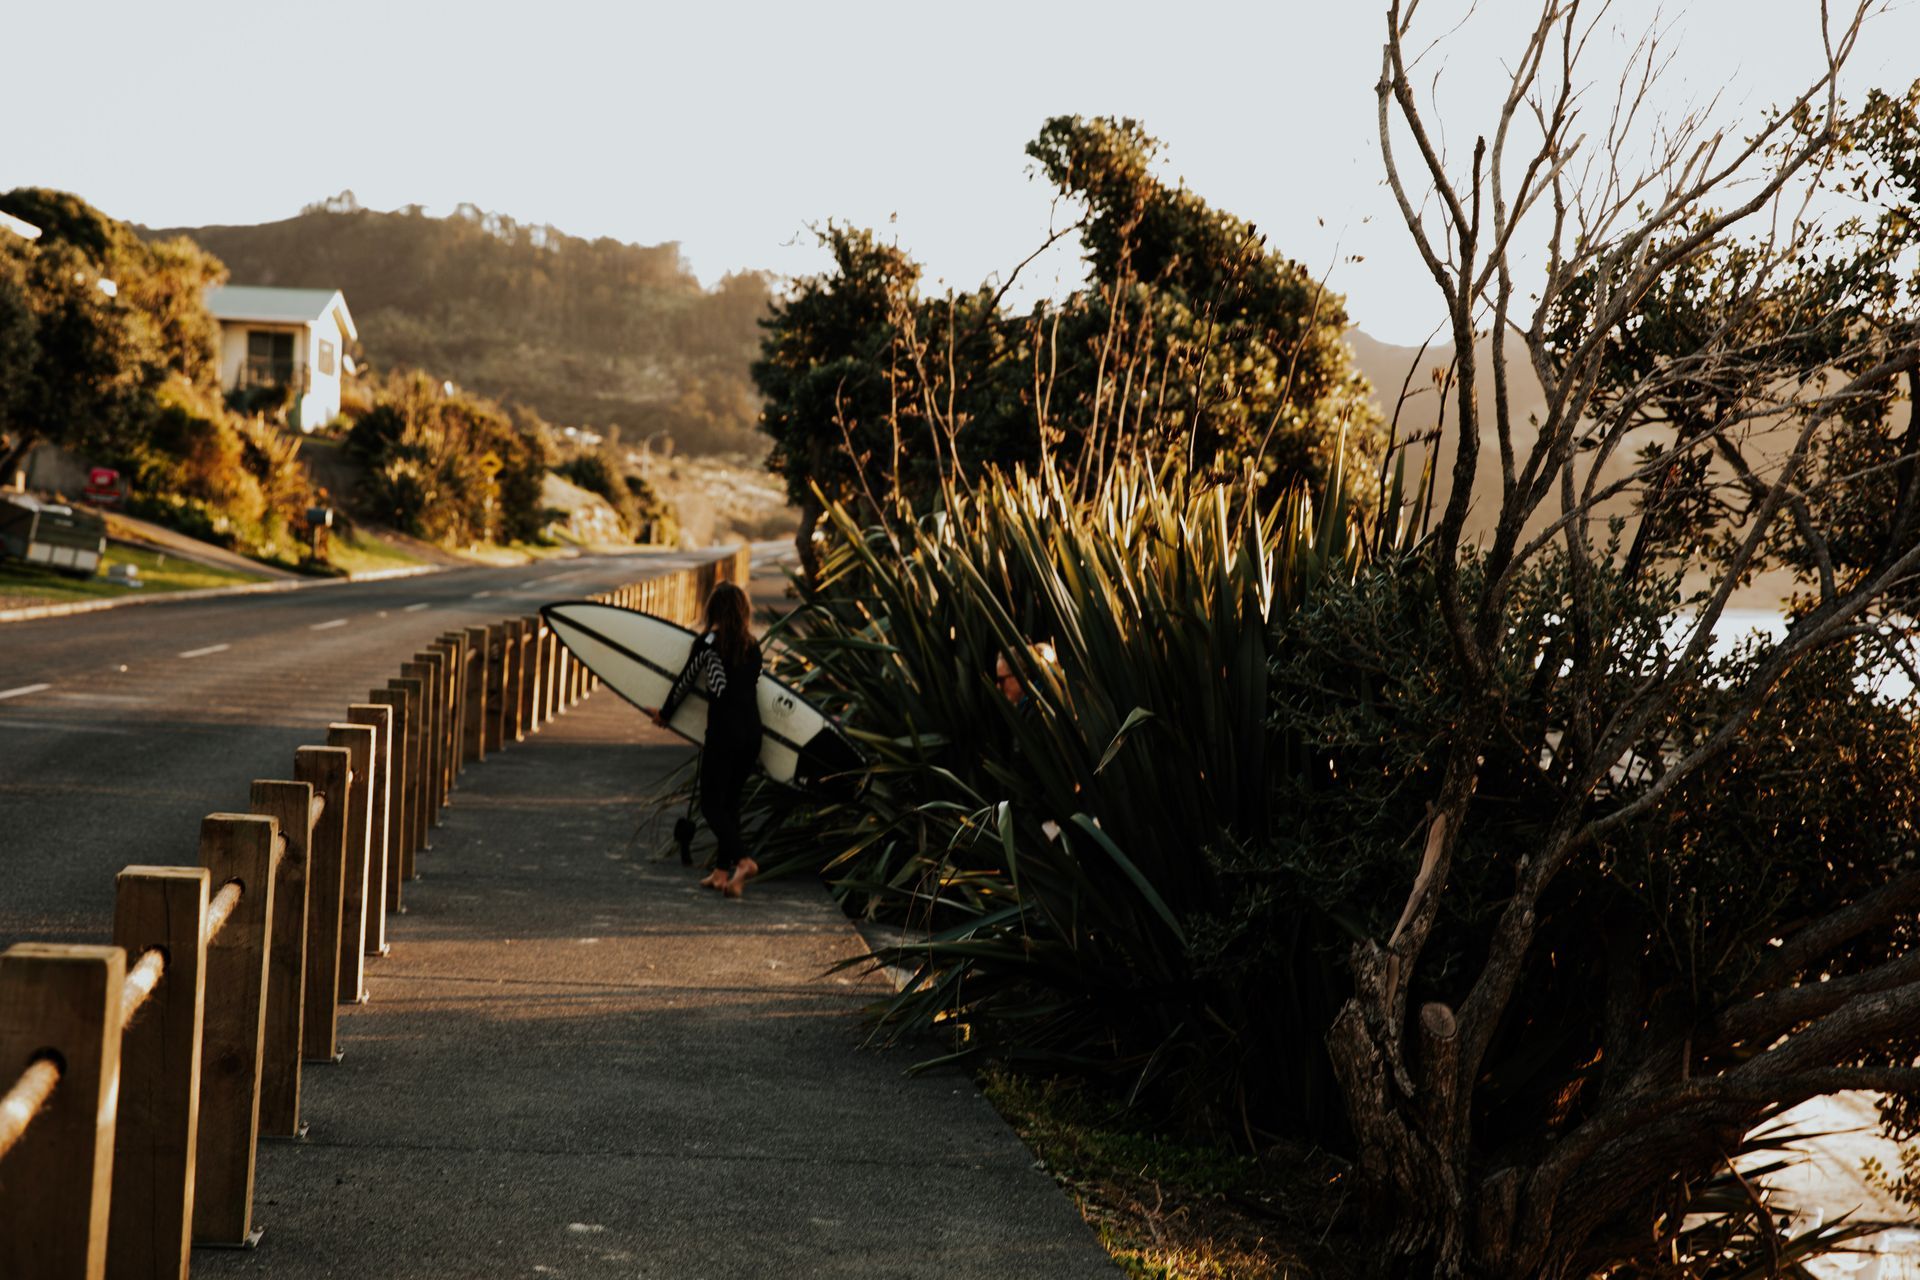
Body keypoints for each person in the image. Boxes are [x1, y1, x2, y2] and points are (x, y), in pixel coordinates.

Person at [653, 583, 764, 897]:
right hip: (752, 735)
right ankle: (721, 874)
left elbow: (686, 681)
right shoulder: (752, 646)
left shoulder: (709, 644)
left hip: (724, 735)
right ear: (743, 611)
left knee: (711, 805)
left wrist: (665, 714)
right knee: (730, 804)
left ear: (713, 610)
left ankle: (743, 861)